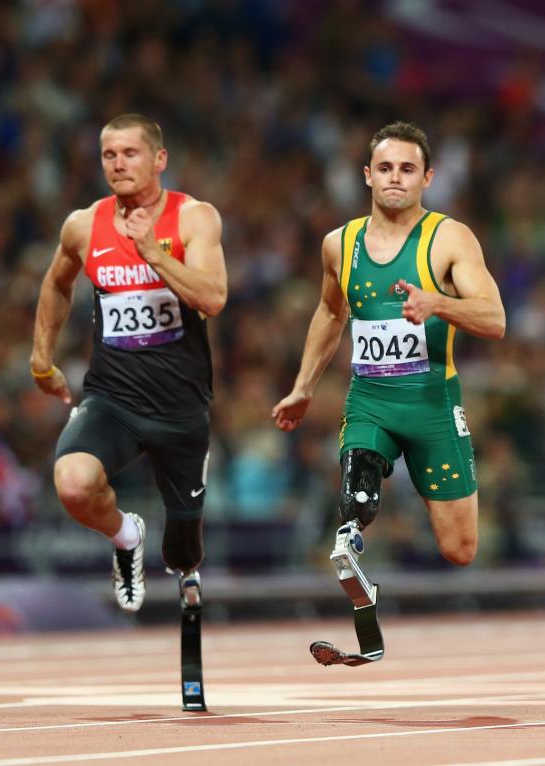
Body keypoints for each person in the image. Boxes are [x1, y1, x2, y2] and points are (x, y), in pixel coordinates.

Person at [272, 121, 505, 616]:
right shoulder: (340, 243)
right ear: (366, 176)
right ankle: (350, 540)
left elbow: (495, 319)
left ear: (428, 177)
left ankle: (354, 533)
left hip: (431, 404)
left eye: (407, 169)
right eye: (384, 168)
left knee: (459, 549)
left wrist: (438, 303)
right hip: (371, 398)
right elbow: (332, 313)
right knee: (359, 483)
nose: (395, 178)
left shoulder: (448, 239)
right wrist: (303, 387)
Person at [31, 114, 227, 613]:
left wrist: (153, 254)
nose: (118, 164)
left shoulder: (192, 217)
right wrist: (41, 358)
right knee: (72, 484)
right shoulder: (83, 225)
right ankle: (125, 536)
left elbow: (214, 298)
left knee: (184, 555)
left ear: (159, 159)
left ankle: (176, 541)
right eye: (109, 155)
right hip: (111, 398)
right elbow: (57, 282)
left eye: (130, 153)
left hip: (181, 408)